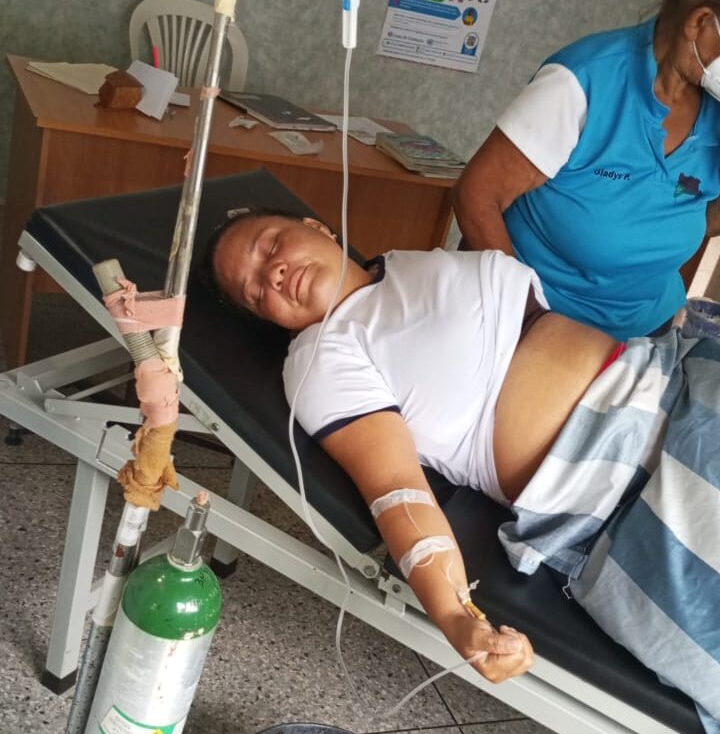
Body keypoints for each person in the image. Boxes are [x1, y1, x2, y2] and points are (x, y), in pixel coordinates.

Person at [206, 209, 720, 725]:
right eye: (256, 291)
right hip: (621, 497)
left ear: (317, 227)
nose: (273, 274)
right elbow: (396, 490)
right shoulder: (322, 358)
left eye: (271, 245)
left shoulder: (405, 264)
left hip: (677, 379)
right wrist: (457, 618)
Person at [453, 0, 720, 341]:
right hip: (536, 322)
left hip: (643, 333)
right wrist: (523, 317)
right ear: (701, 23)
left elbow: (704, 212)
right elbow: (476, 195)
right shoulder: (584, 83)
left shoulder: (714, 110)